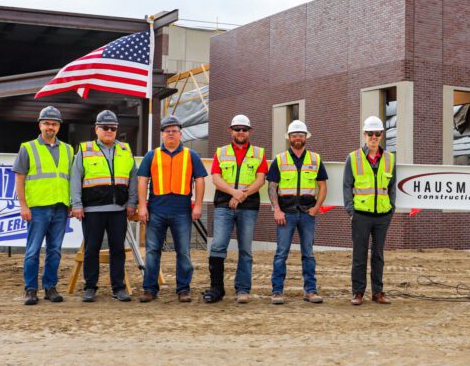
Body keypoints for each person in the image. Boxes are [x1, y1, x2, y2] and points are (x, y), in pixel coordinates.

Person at [136, 115, 207, 303]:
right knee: (152, 251)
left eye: (174, 131)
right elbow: (142, 180)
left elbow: (199, 180)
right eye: (167, 131)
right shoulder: (152, 155)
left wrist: (198, 205)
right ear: (162, 134)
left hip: (182, 211)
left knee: (183, 251)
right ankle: (150, 289)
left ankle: (183, 289)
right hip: (156, 211)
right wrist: (142, 206)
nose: (171, 134)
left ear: (180, 134)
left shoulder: (191, 155)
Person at [69, 109, 137, 303]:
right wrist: (77, 204)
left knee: (118, 250)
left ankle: (118, 287)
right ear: (96, 129)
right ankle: (90, 287)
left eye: (113, 128)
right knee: (92, 250)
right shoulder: (85, 150)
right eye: (105, 127)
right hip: (92, 210)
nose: (109, 131)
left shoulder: (125, 150)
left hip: (118, 210)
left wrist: (132, 203)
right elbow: (75, 179)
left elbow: (133, 178)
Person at [13, 106, 74, 306]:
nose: (50, 127)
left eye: (54, 124)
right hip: (38, 208)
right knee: (32, 251)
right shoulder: (28, 148)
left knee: (55, 250)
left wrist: (72, 204)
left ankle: (50, 287)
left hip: (60, 207)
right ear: (40, 125)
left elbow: (71, 179)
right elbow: (19, 179)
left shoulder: (68, 149)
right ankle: (30, 289)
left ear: (58, 127)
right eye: (47, 123)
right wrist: (23, 206)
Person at [205, 114, 267, 304]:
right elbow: (216, 177)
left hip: (248, 206)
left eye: (244, 129)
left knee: (245, 249)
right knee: (218, 246)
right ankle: (216, 289)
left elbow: (260, 178)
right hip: (224, 204)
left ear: (250, 132)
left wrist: (243, 195)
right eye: (237, 129)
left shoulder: (258, 153)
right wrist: (234, 193)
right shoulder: (221, 152)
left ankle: (243, 289)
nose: (241, 132)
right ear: (230, 131)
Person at [267, 120, 328, 305]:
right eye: (294, 135)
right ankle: (277, 292)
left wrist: (316, 208)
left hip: (308, 214)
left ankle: (310, 291)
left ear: (305, 137)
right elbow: (272, 186)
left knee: (308, 254)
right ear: (289, 138)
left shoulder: (315, 159)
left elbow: (322, 186)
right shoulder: (280, 160)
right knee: (281, 254)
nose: (297, 138)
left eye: (301, 135)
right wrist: (276, 210)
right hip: (286, 214)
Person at [343, 116, 396, 305]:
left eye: (377, 133)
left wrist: (391, 210)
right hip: (361, 215)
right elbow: (347, 186)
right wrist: (351, 211)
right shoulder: (353, 158)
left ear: (381, 135)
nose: (374, 137)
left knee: (378, 255)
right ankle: (358, 293)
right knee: (359, 255)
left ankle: (378, 292)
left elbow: (392, 188)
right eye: (370, 133)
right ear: (364, 134)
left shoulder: (390, 158)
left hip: (382, 216)